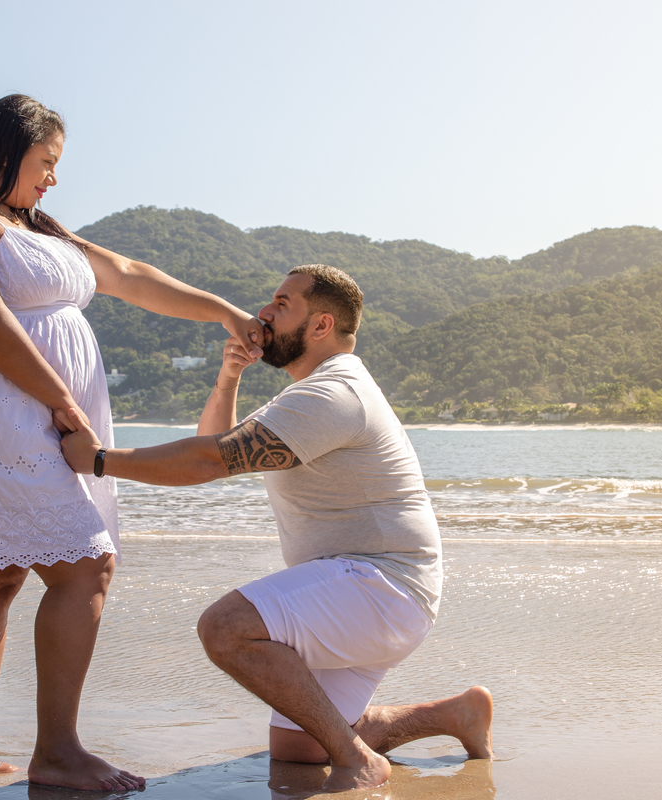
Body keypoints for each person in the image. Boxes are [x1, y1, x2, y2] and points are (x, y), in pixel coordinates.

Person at [0, 94, 264, 792]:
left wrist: (223, 311)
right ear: (6, 152)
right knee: (81, 568)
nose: (53, 178)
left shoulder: (36, 226)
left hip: (31, 407)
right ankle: (59, 752)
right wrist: (61, 401)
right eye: (46, 162)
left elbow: (129, 275)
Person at [60, 265, 494, 793]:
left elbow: (206, 463)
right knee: (300, 749)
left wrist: (100, 459)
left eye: (282, 304)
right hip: (376, 596)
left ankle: (359, 759)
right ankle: (453, 715)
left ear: (320, 325)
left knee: (225, 627)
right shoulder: (309, 393)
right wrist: (229, 378)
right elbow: (215, 446)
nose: (263, 313)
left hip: (379, 587)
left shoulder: (334, 395)